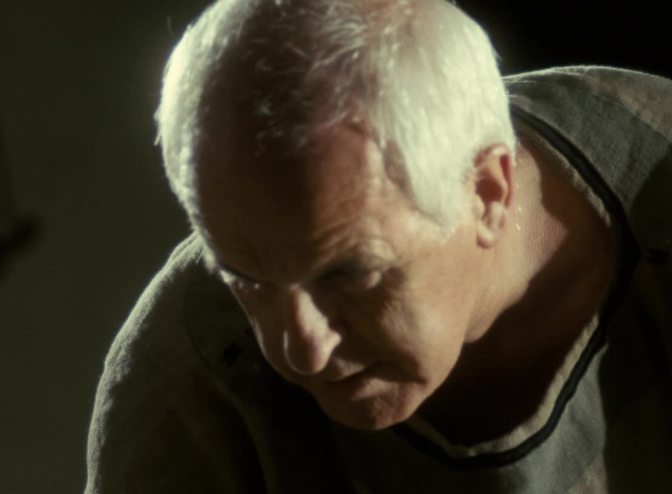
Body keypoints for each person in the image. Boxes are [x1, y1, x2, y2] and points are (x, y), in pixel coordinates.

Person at [85, 0, 672, 492]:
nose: (301, 349)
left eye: (349, 274)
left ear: (488, 192)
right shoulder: (195, 381)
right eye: (248, 279)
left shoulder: (659, 185)